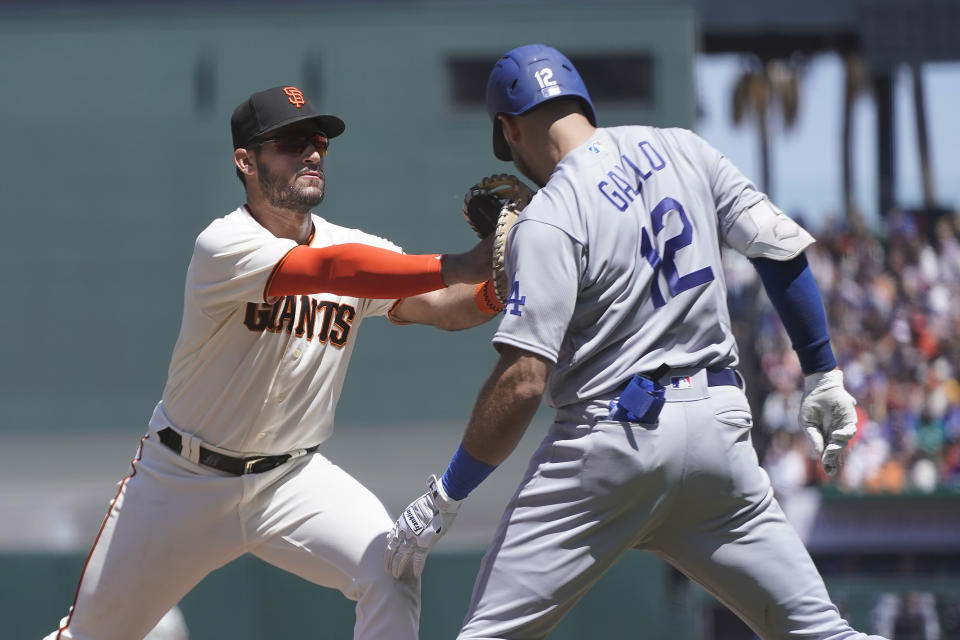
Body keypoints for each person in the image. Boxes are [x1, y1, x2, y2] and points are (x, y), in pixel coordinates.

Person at [385, 44, 887, 640]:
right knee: (821, 633)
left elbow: (522, 380)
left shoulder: (550, 214)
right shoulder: (684, 147)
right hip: (718, 438)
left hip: (611, 444)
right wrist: (822, 372)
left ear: (508, 128)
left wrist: (446, 494)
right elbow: (776, 247)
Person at [47, 85, 502, 640]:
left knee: (391, 567)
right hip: (183, 481)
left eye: (318, 142)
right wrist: (461, 262)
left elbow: (439, 308)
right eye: (290, 143)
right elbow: (332, 271)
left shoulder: (356, 248)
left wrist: (495, 288)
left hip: (291, 478)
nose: (311, 153)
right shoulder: (224, 244)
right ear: (245, 161)